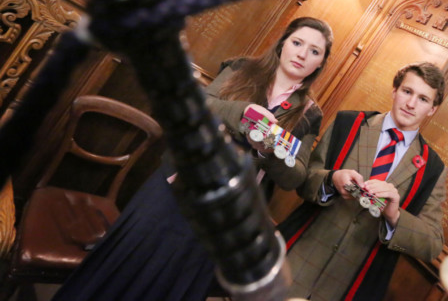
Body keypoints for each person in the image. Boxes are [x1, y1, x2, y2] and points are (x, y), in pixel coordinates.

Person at [52, 17, 334, 301]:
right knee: (127, 260)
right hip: (178, 184)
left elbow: (295, 176)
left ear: (321, 63)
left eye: (314, 51)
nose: (301, 54)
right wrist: (242, 113)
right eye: (297, 43)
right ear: (283, 42)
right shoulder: (242, 68)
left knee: (175, 281)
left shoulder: (310, 113)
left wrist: (267, 150)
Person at [279, 62, 447, 301]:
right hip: (297, 259)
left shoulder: (433, 169)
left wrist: (394, 216)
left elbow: (432, 244)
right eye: (407, 92)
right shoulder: (348, 124)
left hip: (351, 285)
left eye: (423, 99)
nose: (410, 104)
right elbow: (304, 180)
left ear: (432, 109)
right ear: (394, 91)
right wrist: (330, 180)